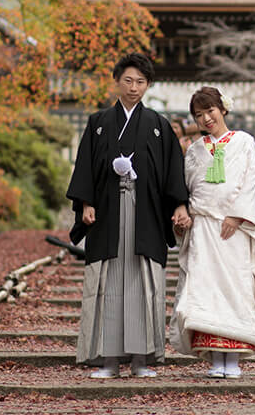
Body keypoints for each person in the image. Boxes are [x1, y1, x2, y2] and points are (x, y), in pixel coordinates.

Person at [66, 52, 192, 378]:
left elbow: (172, 173)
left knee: (142, 284)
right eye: (128, 80)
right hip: (108, 212)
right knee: (109, 283)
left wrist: (179, 204)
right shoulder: (97, 123)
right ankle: (108, 360)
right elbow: (84, 168)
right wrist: (85, 203)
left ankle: (141, 359)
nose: (134, 87)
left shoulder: (159, 127)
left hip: (146, 213)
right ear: (117, 81)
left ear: (148, 85)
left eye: (140, 82)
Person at [170, 86, 255, 379]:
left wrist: (237, 215)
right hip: (204, 227)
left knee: (236, 286)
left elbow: (253, 180)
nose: (206, 118)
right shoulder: (194, 150)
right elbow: (188, 187)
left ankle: (235, 358)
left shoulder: (244, 142)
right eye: (199, 114)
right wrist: (186, 216)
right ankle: (216, 357)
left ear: (223, 109)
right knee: (206, 289)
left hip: (234, 229)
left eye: (210, 111)